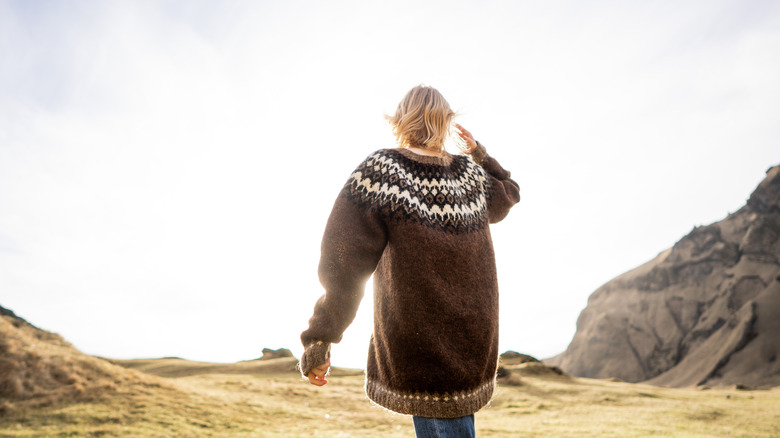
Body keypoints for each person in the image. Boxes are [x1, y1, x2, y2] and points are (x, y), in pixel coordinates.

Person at [299, 85, 520, 437]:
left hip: (418, 333)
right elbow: (509, 191)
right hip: (475, 332)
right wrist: (480, 154)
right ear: (446, 121)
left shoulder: (382, 172)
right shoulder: (470, 175)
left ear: (401, 119)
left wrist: (321, 338)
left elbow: (344, 264)